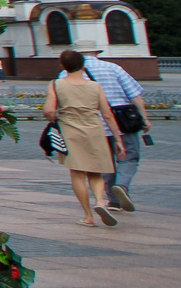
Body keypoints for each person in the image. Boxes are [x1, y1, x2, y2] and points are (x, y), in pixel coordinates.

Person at [42, 50, 125, 229]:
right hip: (95, 131)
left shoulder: (56, 84)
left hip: (70, 131)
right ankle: (100, 202)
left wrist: (53, 118)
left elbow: (49, 110)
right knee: (95, 171)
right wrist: (118, 139)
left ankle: (88, 216)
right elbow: (107, 115)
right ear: (83, 65)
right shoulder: (95, 86)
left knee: (77, 174)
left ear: (63, 66)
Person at [83, 52, 150, 210]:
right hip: (122, 122)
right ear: (96, 52)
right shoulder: (113, 68)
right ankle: (122, 185)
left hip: (93, 124)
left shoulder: (69, 72)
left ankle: (113, 200)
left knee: (106, 163)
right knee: (129, 156)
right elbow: (135, 95)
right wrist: (144, 119)